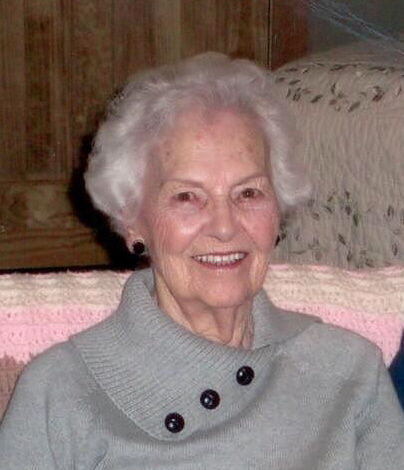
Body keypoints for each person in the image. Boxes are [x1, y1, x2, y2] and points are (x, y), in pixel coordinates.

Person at [0, 53, 403, 469]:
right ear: (132, 219)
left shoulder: (349, 372)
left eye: (249, 193)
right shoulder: (61, 393)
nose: (225, 227)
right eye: (187, 197)